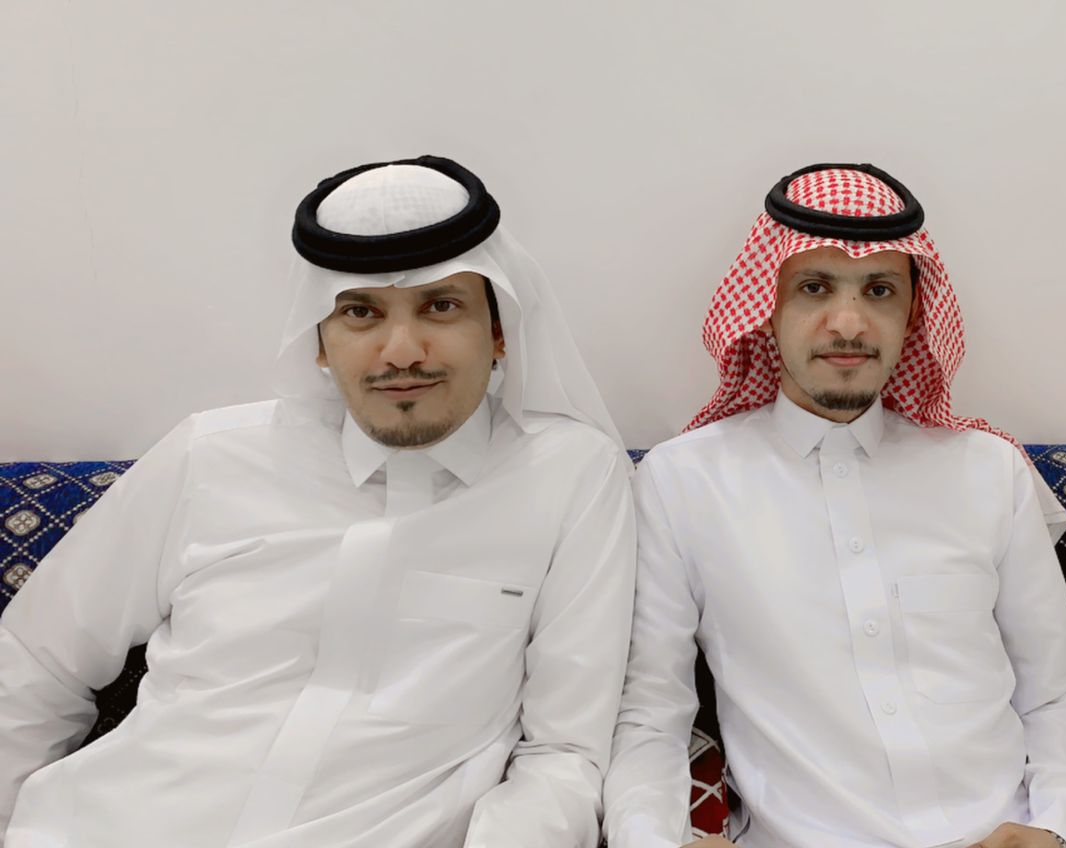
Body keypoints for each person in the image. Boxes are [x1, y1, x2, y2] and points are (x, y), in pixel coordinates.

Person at [0, 156, 635, 847]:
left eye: (441, 306)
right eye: (360, 312)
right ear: (320, 342)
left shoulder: (570, 478)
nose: (401, 351)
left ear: (501, 329)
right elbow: (34, 660)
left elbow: (563, 755)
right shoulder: (209, 456)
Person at [604, 163, 1066, 848]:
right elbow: (649, 712)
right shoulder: (682, 483)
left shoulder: (988, 470)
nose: (848, 323)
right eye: (814, 287)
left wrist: (1058, 828)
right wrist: (653, 839)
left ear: (912, 314)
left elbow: (1059, 692)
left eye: (879, 290)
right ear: (766, 307)